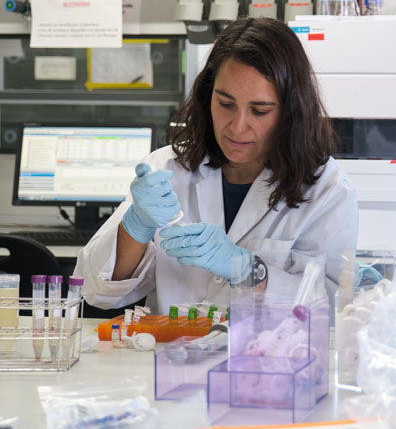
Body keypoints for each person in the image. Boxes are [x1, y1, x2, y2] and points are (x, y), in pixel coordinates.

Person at [75, 17, 358, 315]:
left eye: (259, 111)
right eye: (225, 104)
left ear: (291, 111)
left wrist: (250, 271)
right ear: (207, 95)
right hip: (170, 356)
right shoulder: (166, 169)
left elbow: (332, 309)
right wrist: (137, 225)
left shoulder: (327, 191)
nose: (237, 127)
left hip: (266, 358)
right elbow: (95, 291)